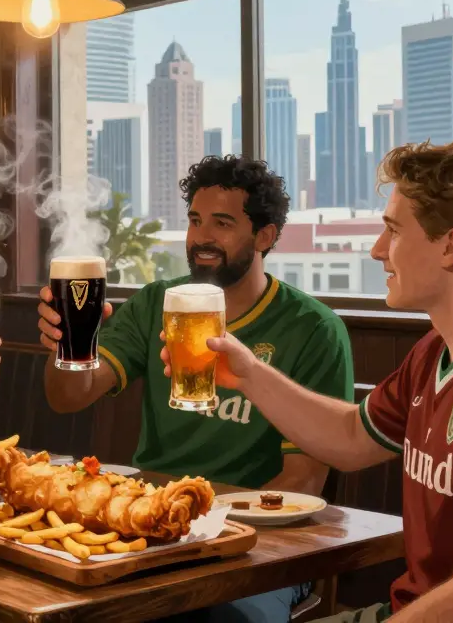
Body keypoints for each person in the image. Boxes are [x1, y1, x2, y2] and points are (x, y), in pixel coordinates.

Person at [173, 142, 453, 623]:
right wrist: (246, 373)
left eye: (392, 231)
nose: (377, 250)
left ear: (451, 246)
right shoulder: (440, 349)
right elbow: (350, 438)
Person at [39, 155, 353, 622]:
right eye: (194, 220)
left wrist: (204, 531)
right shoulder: (156, 303)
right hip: (150, 528)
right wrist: (67, 347)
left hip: (260, 545)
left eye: (223, 223)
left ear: (265, 237)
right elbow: (67, 397)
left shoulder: (313, 329)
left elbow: (300, 483)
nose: (201, 237)